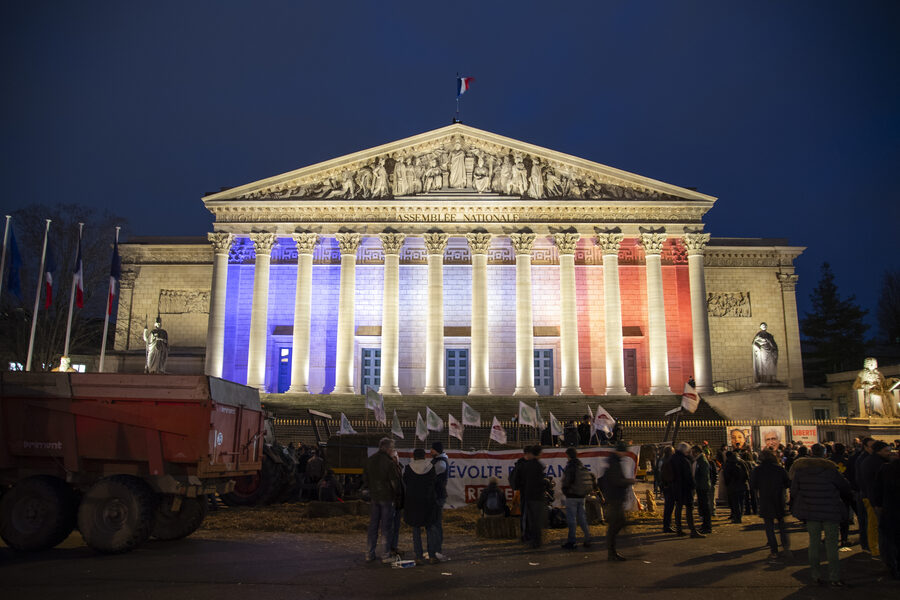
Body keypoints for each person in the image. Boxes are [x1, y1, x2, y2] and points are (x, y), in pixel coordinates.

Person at [790, 443, 851, 587]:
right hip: (831, 510)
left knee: (814, 543)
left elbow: (793, 491)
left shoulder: (800, 471)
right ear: (824, 453)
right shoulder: (831, 470)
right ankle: (834, 576)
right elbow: (844, 486)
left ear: (811, 453)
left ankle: (815, 575)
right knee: (832, 544)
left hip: (810, 511)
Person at [362, 437, 401, 564]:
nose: (393, 450)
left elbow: (365, 479)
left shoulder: (370, 460)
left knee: (373, 526)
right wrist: (397, 495)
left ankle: (369, 554)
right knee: (386, 528)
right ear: (388, 448)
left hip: (374, 497)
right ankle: (385, 555)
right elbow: (394, 482)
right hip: (387, 498)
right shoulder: (389, 463)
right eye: (392, 448)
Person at [751, 449, 791, 559]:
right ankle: (786, 548)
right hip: (778, 498)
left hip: (765, 499)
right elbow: (788, 482)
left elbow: (753, 485)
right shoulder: (779, 469)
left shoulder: (758, 470)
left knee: (769, 526)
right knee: (781, 524)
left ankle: (774, 551)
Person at [403, 448, 439, 565]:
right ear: (424, 456)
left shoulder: (408, 468)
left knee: (416, 529)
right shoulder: (431, 467)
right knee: (430, 528)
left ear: (414, 456)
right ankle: (432, 556)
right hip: (428, 501)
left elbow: (405, 482)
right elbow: (435, 483)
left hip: (413, 502)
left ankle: (418, 556)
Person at [602, 441, 635, 561]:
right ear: (620, 451)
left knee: (618, 523)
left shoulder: (614, 461)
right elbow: (617, 481)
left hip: (615, 497)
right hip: (615, 498)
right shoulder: (614, 463)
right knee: (616, 524)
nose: (625, 454)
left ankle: (613, 550)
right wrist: (629, 481)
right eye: (624, 452)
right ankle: (612, 552)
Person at [858, 441, 891, 558]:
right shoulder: (878, 463)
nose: (889, 453)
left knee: (874, 524)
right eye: (886, 451)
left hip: (870, 496)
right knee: (874, 524)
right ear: (879, 451)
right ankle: (875, 549)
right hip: (873, 498)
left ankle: (876, 548)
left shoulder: (868, 460)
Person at [872, 448, 900, 579]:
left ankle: (893, 567)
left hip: (890, 510)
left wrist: (878, 506)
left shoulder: (886, 468)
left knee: (891, 540)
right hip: (891, 509)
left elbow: (877, 490)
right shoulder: (886, 468)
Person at [561, 447, 594, 549]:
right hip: (582, 496)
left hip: (572, 496)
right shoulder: (581, 465)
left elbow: (567, 481)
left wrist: (565, 491)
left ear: (568, 455)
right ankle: (588, 538)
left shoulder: (570, 466)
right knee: (582, 518)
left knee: (571, 519)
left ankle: (572, 541)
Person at [514, 445, 547, 548]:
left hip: (529, 495)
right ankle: (534, 539)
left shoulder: (527, 465)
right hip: (535, 496)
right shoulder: (536, 465)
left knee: (532, 519)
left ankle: (533, 539)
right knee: (535, 519)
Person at [670, 442, 704, 538]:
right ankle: (692, 529)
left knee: (678, 508)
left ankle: (679, 528)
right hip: (685, 488)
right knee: (689, 509)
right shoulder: (684, 461)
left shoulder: (672, 459)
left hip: (675, 487)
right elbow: (688, 476)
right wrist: (693, 485)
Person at [430, 441, 449, 560]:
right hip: (438, 495)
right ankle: (435, 549)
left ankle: (437, 550)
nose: (430, 451)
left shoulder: (440, 463)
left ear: (437, 450)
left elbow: (430, 476)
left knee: (436, 524)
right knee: (435, 524)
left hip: (437, 496)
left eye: (432, 449)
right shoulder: (439, 461)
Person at [691, 445, 713, 534]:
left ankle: (707, 526)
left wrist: (697, 482)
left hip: (703, 487)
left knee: (705, 506)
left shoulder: (702, 461)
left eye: (693, 452)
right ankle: (705, 524)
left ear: (697, 452)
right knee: (703, 506)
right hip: (701, 486)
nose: (692, 454)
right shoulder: (699, 460)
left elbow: (704, 475)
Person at [723, 451, 747, 523]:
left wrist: (727, 484)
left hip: (733, 486)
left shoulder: (728, 464)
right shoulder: (742, 462)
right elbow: (746, 473)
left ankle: (737, 517)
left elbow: (726, 476)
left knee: (735, 503)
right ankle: (740, 516)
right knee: (741, 502)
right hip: (742, 485)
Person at [659, 446, 676, 532]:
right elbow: (667, 475)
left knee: (668, 506)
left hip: (666, 486)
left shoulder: (663, 461)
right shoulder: (668, 462)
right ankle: (667, 525)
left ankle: (667, 524)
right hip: (669, 486)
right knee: (669, 507)